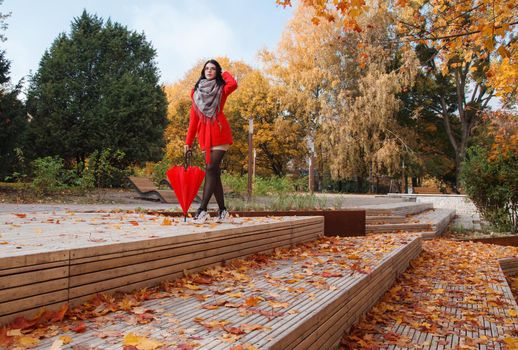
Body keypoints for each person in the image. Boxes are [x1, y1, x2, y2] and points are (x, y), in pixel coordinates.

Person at [184, 59, 237, 224]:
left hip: (220, 133)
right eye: (207, 68)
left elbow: (233, 84)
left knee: (210, 168)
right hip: (204, 137)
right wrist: (188, 142)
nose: (209, 71)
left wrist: (225, 71)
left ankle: (202, 210)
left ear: (217, 72)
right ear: (203, 71)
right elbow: (193, 121)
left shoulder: (222, 89)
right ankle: (223, 211)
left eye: (213, 69)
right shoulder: (196, 93)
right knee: (214, 173)